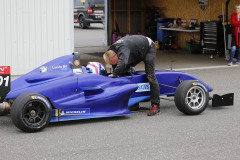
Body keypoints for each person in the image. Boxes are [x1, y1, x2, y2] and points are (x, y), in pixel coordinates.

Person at [103, 35, 160, 116]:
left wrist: (115, 73)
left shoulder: (123, 48)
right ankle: (132, 102)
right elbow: (117, 66)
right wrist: (114, 74)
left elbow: (123, 63)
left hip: (148, 48)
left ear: (116, 55)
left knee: (150, 76)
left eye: (115, 62)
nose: (115, 65)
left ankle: (156, 106)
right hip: (136, 50)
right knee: (123, 73)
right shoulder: (111, 51)